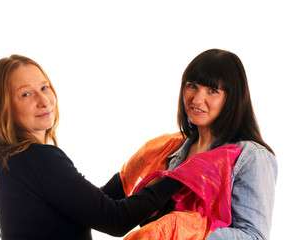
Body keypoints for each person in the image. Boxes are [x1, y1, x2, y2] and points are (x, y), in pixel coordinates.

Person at [0, 54, 184, 240]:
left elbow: (86, 208)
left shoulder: (17, 160)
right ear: (5, 108)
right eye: (26, 94)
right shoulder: (36, 158)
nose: (44, 101)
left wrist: (137, 163)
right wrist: (183, 175)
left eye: (44, 87)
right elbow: (115, 219)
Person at [118, 49, 278, 239]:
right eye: (192, 86)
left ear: (232, 99)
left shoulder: (251, 157)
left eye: (212, 90)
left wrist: (184, 229)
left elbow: (254, 236)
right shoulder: (175, 149)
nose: (196, 99)